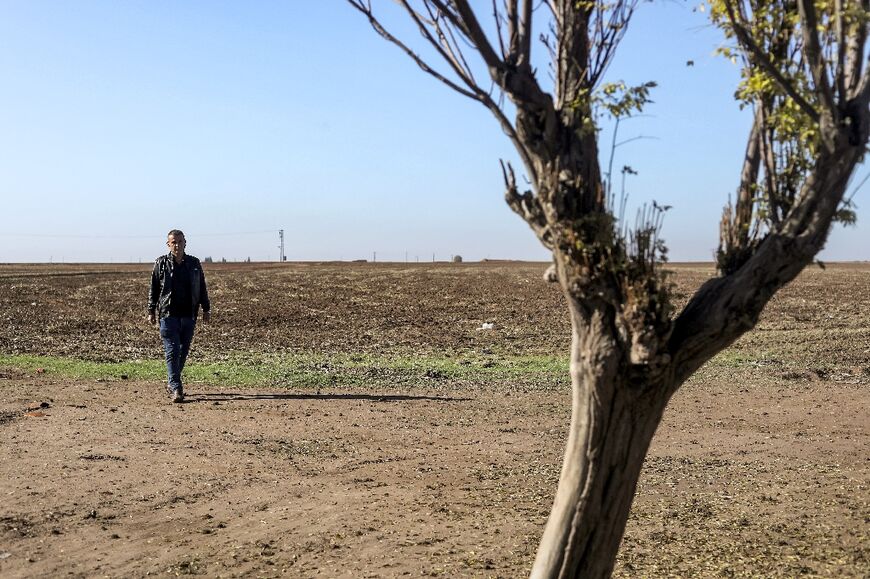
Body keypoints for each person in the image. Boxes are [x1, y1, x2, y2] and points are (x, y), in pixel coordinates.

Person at [148, 229, 210, 403]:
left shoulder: (194, 263)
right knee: (172, 350)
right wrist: (151, 310)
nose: (177, 245)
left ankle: (172, 381)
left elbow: (201, 286)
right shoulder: (160, 263)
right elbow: (153, 288)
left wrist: (206, 308)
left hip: (189, 315)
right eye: (173, 242)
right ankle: (176, 388)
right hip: (168, 315)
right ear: (168, 244)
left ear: (185, 243)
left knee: (182, 352)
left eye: (180, 241)